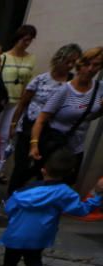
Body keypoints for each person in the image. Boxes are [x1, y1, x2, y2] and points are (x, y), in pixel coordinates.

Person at [0, 150, 102, 266]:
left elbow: (10, 207)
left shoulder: (25, 191)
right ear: (70, 172)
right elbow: (81, 210)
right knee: (33, 259)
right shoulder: (66, 193)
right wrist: (97, 196)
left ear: (43, 170)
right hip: (41, 234)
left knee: (11, 257)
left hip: (17, 231)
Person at [7, 44, 81, 194]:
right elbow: (23, 104)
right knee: (21, 165)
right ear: (59, 59)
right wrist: (13, 124)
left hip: (51, 131)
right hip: (30, 127)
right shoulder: (41, 80)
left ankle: (33, 195)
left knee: (42, 167)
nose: (70, 66)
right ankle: (12, 195)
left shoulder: (71, 83)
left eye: (74, 62)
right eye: (68, 61)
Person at [28, 46, 103, 185]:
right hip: (56, 145)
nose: (91, 69)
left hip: (76, 149)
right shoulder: (64, 91)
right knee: (48, 187)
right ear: (79, 65)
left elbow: (89, 115)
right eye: (87, 64)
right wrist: (34, 145)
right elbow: (41, 119)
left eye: (96, 65)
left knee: (66, 187)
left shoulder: (100, 88)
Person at [0, 25, 37, 180]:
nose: (27, 43)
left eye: (30, 40)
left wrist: (24, 102)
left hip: (17, 101)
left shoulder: (31, 58)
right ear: (18, 38)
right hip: (2, 100)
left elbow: (28, 82)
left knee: (6, 136)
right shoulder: (3, 57)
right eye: (25, 40)